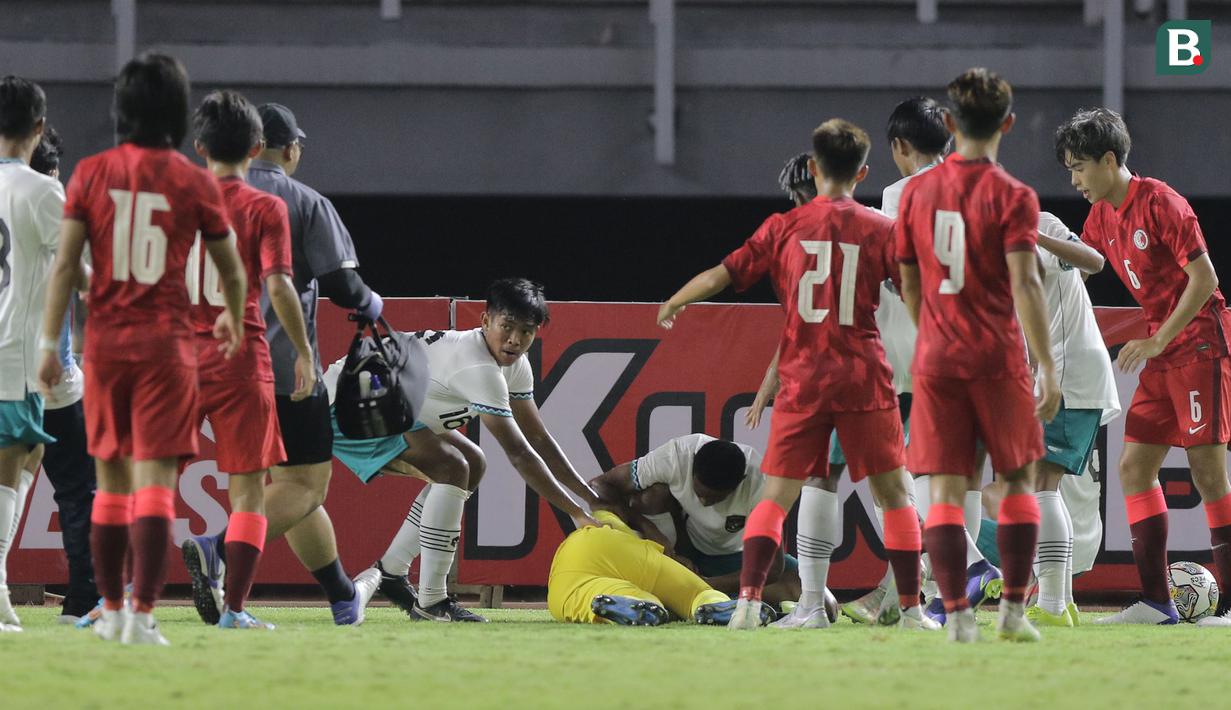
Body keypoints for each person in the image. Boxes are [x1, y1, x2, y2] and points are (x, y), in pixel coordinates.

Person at [659, 119, 933, 631]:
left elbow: (723, 274)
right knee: (894, 493)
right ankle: (914, 611)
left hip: (805, 381)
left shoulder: (783, 227)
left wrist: (677, 299)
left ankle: (749, 605)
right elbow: (916, 295)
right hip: (864, 377)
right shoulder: (881, 227)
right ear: (864, 172)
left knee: (780, 496)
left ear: (812, 168)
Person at [37, 53, 249, 645]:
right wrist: (232, 317)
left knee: (109, 484)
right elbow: (231, 269)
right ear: (179, 112)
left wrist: (48, 343)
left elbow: (63, 269)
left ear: (121, 109)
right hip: (168, 349)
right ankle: (144, 616)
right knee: (156, 486)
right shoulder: (193, 180)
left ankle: (110, 610)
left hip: (105, 346)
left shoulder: (90, 172)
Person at [182, 101, 381, 627]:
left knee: (291, 488)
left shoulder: (196, 198)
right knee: (306, 485)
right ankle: (218, 550)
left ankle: (343, 598)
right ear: (289, 149)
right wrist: (371, 304)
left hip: (202, 362)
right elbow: (339, 282)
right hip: (280, 364)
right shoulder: (297, 200)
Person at [328, 278, 602, 621]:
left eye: (527, 330)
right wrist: (575, 511)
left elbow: (540, 439)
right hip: (347, 404)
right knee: (453, 467)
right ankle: (431, 602)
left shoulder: (516, 366)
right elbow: (519, 453)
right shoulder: (478, 367)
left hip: (390, 403)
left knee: (473, 461)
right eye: (507, 326)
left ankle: (393, 572)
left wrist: (588, 496)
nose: (515, 339)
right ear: (485, 321)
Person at [895, 67, 1059, 643]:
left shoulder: (915, 193)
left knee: (943, 490)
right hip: (998, 358)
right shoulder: (1014, 196)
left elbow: (909, 284)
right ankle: (1013, 613)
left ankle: (959, 617)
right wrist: (1048, 365)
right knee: (1017, 481)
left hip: (938, 360)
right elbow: (1027, 283)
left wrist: (933, 334)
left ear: (946, 123)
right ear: (1008, 124)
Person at [1055, 107, 1231, 627]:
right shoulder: (1100, 217)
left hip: (1198, 346)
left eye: (1080, 167)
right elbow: (1084, 264)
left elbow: (1204, 279)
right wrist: (1033, 245)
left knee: (1209, 476)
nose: (1074, 180)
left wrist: (1156, 340)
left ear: (1109, 160)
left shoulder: (1163, 203)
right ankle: (1157, 603)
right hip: (1162, 350)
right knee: (1134, 468)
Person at [185, 90, 318, 629]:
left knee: (141, 481)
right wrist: (304, 351)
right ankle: (234, 611)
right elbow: (280, 286)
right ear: (258, 146)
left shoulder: (176, 201)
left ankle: (116, 601)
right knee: (247, 492)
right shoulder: (266, 206)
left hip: (179, 360)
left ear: (199, 146)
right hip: (243, 361)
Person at [1017, 211, 1121, 627]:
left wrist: (1037, 236)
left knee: (1043, 482)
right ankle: (1063, 599)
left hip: (1068, 373)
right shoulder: (984, 252)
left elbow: (1094, 261)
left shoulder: (1042, 222)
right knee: (1041, 484)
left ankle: (1053, 605)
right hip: (1053, 372)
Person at [588, 433, 806, 608]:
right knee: (650, 496)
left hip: (739, 558)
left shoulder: (763, 485)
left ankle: (703, 597)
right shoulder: (676, 456)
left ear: (740, 483)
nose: (703, 502)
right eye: (699, 492)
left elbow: (772, 567)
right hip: (682, 549)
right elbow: (599, 486)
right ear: (691, 468)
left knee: (823, 602)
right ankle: (698, 591)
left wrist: (704, 585)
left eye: (715, 498)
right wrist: (648, 527)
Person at [29, 125, 100, 623]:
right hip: (54, 377)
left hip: (9, 371)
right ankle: (81, 601)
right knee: (77, 491)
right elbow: (86, 281)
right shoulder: (54, 201)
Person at [0, 75, 63, 633]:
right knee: (13, 460)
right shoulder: (41, 189)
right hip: (12, 353)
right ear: (38, 128)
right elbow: (77, 270)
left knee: (29, 459)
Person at [547, 510, 761, 626]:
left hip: (579, 561)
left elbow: (602, 511)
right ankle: (717, 605)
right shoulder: (621, 526)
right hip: (636, 552)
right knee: (699, 594)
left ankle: (641, 604)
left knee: (583, 595)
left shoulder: (600, 520)